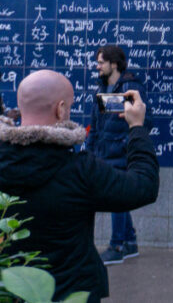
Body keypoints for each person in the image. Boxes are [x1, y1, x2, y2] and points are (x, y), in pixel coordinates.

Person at [0, 70, 158, 303]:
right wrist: (137, 128)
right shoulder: (80, 170)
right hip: (73, 294)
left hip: (12, 293)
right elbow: (143, 187)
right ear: (61, 109)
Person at [87, 45, 147, 264]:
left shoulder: (131, 88)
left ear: (114, 64)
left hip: (121, 152)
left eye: (101, 62)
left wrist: (123, 144)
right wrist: (90, 149)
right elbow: (96, 123)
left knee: (116, 198)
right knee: (118, 197)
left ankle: (117, 246)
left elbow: (138, 120)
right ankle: (130, 242)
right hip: (105, 152)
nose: (98, 66)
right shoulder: (102, 89)